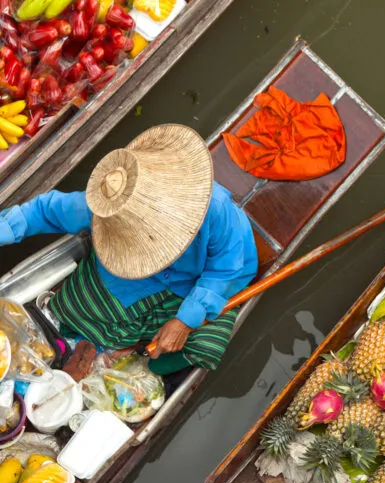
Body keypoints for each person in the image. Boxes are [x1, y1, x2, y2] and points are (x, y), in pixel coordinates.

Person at [0, 124, 258, 375]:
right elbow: (44, 211)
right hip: (135, 274)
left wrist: (184, 321)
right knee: (74, 307)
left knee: (206, 346)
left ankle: (137, 349)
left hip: (197, 283)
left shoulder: (216, 210)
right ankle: (117, 343)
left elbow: (226, 270)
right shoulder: (110, 207)